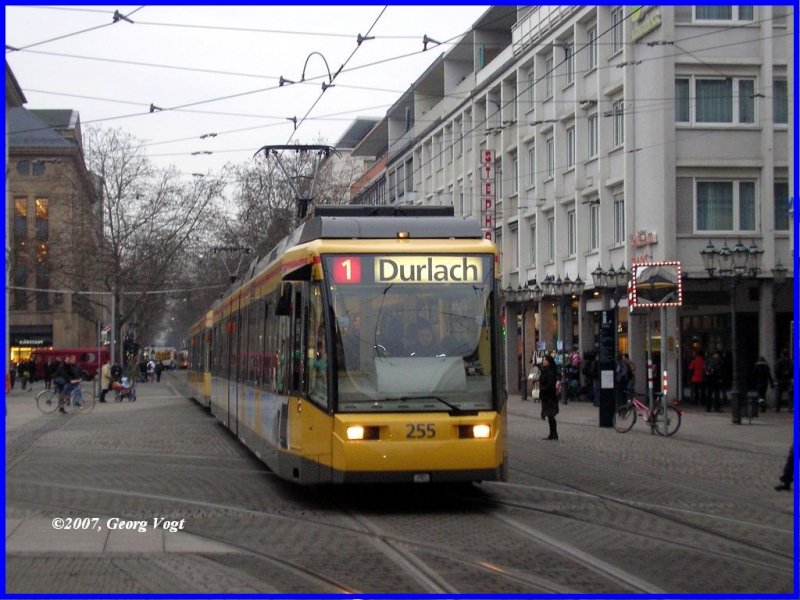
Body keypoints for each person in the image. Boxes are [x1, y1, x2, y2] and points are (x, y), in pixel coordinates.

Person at [539, 354, 559, 440]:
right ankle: (552, 433)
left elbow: (550, 385)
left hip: (550, 396)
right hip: (546, 396)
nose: (543, 361)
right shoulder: (545, 371)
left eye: (545, 360)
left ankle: (554, 433)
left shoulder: (551, 372)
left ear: (549, 362)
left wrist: (543, 389)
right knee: (549, 415)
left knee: (551, 415)